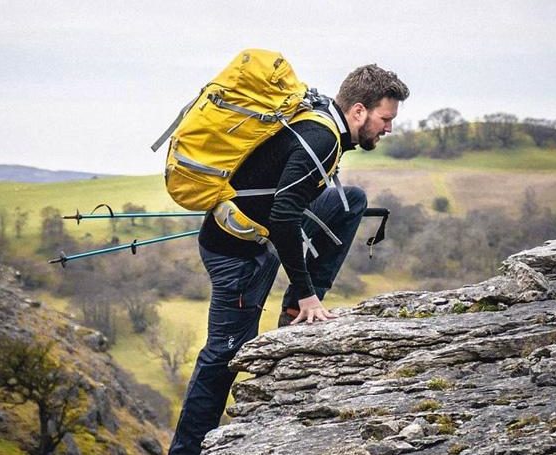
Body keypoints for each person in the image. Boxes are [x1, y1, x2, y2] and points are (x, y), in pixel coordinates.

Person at [168, 64, 409, 455]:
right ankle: (186, 450)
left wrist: (302, 292)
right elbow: (283, 215)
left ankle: (295, 311)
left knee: (351, 202)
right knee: (223, 356)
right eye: (385, 119)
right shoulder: (322, 137)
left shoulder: (322, 120)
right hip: (237, 256)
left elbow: (289, 206)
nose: (389, 129)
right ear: (359, 111)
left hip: (262, 238)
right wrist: (306, 290)